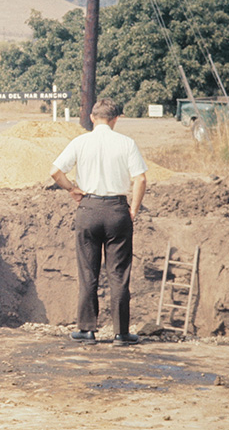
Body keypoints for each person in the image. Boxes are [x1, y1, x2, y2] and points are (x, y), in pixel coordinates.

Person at [50, 98, 148, 346]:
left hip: (89, 208)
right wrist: (133, 210)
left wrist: (72, 189)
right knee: (118, 274)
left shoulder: (81, 142)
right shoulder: (127, 143)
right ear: (115, 119)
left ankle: (87, 330)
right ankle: (121, 333)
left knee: (87, 272)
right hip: (117, 210)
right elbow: (141, 179)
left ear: (92, 118)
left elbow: (55, 172)